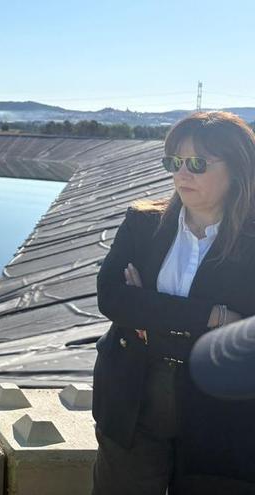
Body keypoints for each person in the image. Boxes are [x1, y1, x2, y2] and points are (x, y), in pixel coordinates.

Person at [93, 111, 255, 494]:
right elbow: (112, 298)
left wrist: (148, 307)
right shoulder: (142, 224)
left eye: (197, 164)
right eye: (174, 162)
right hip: (133, 399)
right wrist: (212, 315)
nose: (182, 174)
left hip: (221, 412)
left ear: (238, 168)